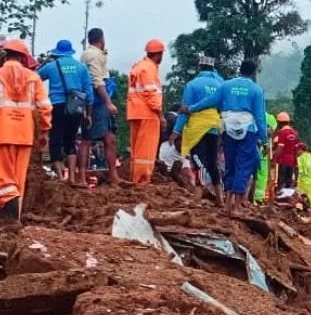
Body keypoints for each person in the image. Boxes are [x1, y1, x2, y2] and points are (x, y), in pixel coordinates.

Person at [0, 39, 51, 221]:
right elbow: (45, 107)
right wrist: (44, 131)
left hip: (2, 133)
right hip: (24, 135)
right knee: (18, 180)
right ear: (24, 58)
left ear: (5, 56)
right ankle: (14, 220)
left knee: (3, 179)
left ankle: (9, 219)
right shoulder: (33, 78)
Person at [182, 58, 268, 210]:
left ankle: (227, 202)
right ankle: (236, 207)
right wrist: (265, 140)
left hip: (227, 129)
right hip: (247, 130)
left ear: (239, 69)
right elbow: (260, 117)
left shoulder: (226, 85)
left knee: (230, 164)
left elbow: (210, 101)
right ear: (253, 73)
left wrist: (191, 108)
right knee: (244, 166)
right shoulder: (256, 90)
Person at [39, 39, 93, 186]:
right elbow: (88, 91)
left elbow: (35, 77)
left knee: (55, 139)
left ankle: (61, 177)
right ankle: (72, 178)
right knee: (71, 140)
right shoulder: (81, 67)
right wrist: (88, 113)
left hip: (57, 106)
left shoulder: (51, 66)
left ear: (57, 53)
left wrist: (45, 62)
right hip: (76, 107)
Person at [172, 55, 224, 202]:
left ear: (199, 67)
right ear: (213, 68)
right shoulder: (221, 85)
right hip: (214, 126)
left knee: (198, 160)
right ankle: (220, 197)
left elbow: (184, 111)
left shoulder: (193, 84)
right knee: (213, 162)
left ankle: (198, 195)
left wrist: (176, 131)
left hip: (197, 128)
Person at [78, 28, 122, 186]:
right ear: (101, 38)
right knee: (87, 139)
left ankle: (113, 175)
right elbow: (97, 81)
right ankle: (82, 177)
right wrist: (108, 103)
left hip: (99, 100)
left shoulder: (95, 54)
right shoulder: (93, 55)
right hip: (95, 102)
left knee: (109, 138)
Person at [127, 39, 166, 187]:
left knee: (137, 150)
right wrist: (160, 115)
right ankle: (142, 180)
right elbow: (151, 93)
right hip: (148, 114)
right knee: (146, 151)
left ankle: (135, 178)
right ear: (159, 54)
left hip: (136, 112)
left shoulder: (138, 67)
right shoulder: (149, 68)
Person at [273, 112, 300, 189]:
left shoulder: (282, 133)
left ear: (279, 123)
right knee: (288, 182)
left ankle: (280, 197)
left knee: (280, 181)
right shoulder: (294, 133)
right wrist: (295, 162)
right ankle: (287, 197)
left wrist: (274, 160)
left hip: (283, 161)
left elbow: (280, 148)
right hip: (291, 161)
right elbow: (296, 149)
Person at [255, 113, 277, 204]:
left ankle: (251, 196)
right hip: (264, 150)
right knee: (262, 175)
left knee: (252, 174)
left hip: (254, 148)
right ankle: (259, 197)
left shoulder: (253, 114)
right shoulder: (271, 118)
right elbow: (271, 132)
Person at [297, 143, 311, 208]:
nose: (297, 151)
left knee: (300, 198)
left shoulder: (299, 159)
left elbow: (299, 171)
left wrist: (297, 183)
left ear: (301, 150)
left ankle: (301, 213)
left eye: (298, 150)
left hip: (302, 182)